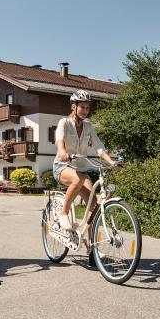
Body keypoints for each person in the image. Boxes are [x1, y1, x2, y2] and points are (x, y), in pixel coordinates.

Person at [53, 90, 117, 232]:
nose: (85, 111)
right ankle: (64, 213)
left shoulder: (88, 126)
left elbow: (99, 147)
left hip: (81, 169)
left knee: (94, 206)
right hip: (62, 166)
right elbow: (59, 138)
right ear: (74, 107)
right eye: (82, 107)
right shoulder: (64, 122)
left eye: (88, 108)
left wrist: (111, 161)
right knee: (78, 179)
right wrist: (63, 152)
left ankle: (90, 245)